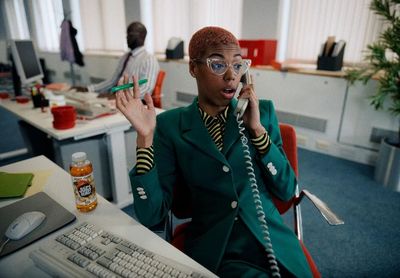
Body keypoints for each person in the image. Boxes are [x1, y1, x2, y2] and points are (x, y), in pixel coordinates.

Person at [116, 26, 312, 277]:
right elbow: (151, 214)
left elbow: (286, 189)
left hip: (271, 243)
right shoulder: (169, 126)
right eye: (218, 65)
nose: (231, 75)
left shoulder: (260, 112)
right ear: (193, 68)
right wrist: (145, 138)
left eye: (238, 65)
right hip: (216, 248)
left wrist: (258, 132)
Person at [75, 21, 159, 97]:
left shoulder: (149, 59)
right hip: (116, 99)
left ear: (141, 36)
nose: (127, 38)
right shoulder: (125, 57)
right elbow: (112, 81)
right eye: (127, 34)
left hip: (133, 103)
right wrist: (89, 89)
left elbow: (146, 89)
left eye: (130, 34)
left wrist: (118, 97)